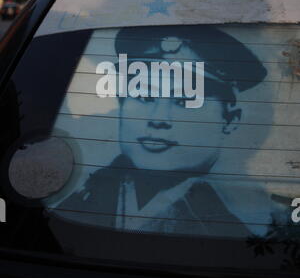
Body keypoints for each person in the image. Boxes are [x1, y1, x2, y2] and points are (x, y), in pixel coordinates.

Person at [54, 24, 277, 240]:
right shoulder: (78, 199)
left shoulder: (245, 230)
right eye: (144, 96)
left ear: (229, 120)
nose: (158, 119)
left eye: (186, 100)